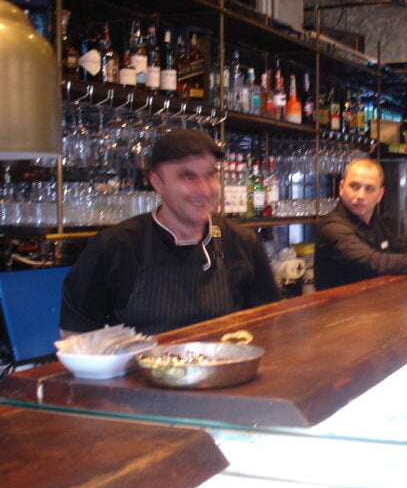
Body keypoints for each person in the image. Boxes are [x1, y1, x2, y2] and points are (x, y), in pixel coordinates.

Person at [60, 129, 281, 335]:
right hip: (140, 365)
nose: (204, 190)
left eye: (211, 175)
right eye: (187, 176)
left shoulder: (242, 242)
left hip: (227, 363)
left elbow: (268, 325)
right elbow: (75, 335)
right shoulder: (115, 246)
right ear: (157, 182)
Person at [315, 157, 407, 290]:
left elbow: (401, 249)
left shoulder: (374, 221)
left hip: (370, 304)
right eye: (354, 186)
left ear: (379, 195)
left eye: (369, 189)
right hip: (339, 309)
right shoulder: (332, 227)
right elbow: (375, 262)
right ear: (341, 188)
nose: (360, 195)